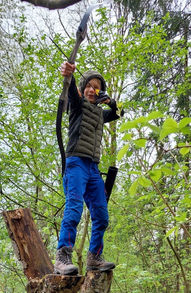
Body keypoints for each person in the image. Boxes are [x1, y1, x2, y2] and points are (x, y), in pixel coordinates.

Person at [54, 62, 123, 275]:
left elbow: (120, 113)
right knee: (74, 208)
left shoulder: (101, 114)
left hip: (93, 168)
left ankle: (94, 257)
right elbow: (71, 90)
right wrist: (70, 74)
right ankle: (62, 257)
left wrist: (111, 101)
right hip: (76, 163)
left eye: (96, 87)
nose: (92, 90)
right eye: (89, 86)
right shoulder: (77, 104)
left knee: (101, 215)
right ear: (83, 88)